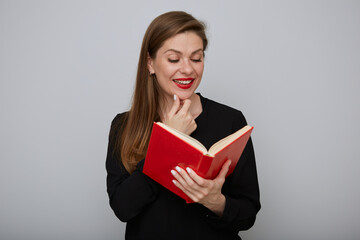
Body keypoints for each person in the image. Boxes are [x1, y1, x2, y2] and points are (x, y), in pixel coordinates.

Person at [106, 11, 261, 240]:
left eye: (196, 58)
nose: (188, 69)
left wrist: (215, 201)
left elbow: (247, 216)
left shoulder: (231, 121)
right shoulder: (124, 125)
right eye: (174, 59)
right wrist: (169, 138)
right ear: (150, 63)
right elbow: (123, 208)